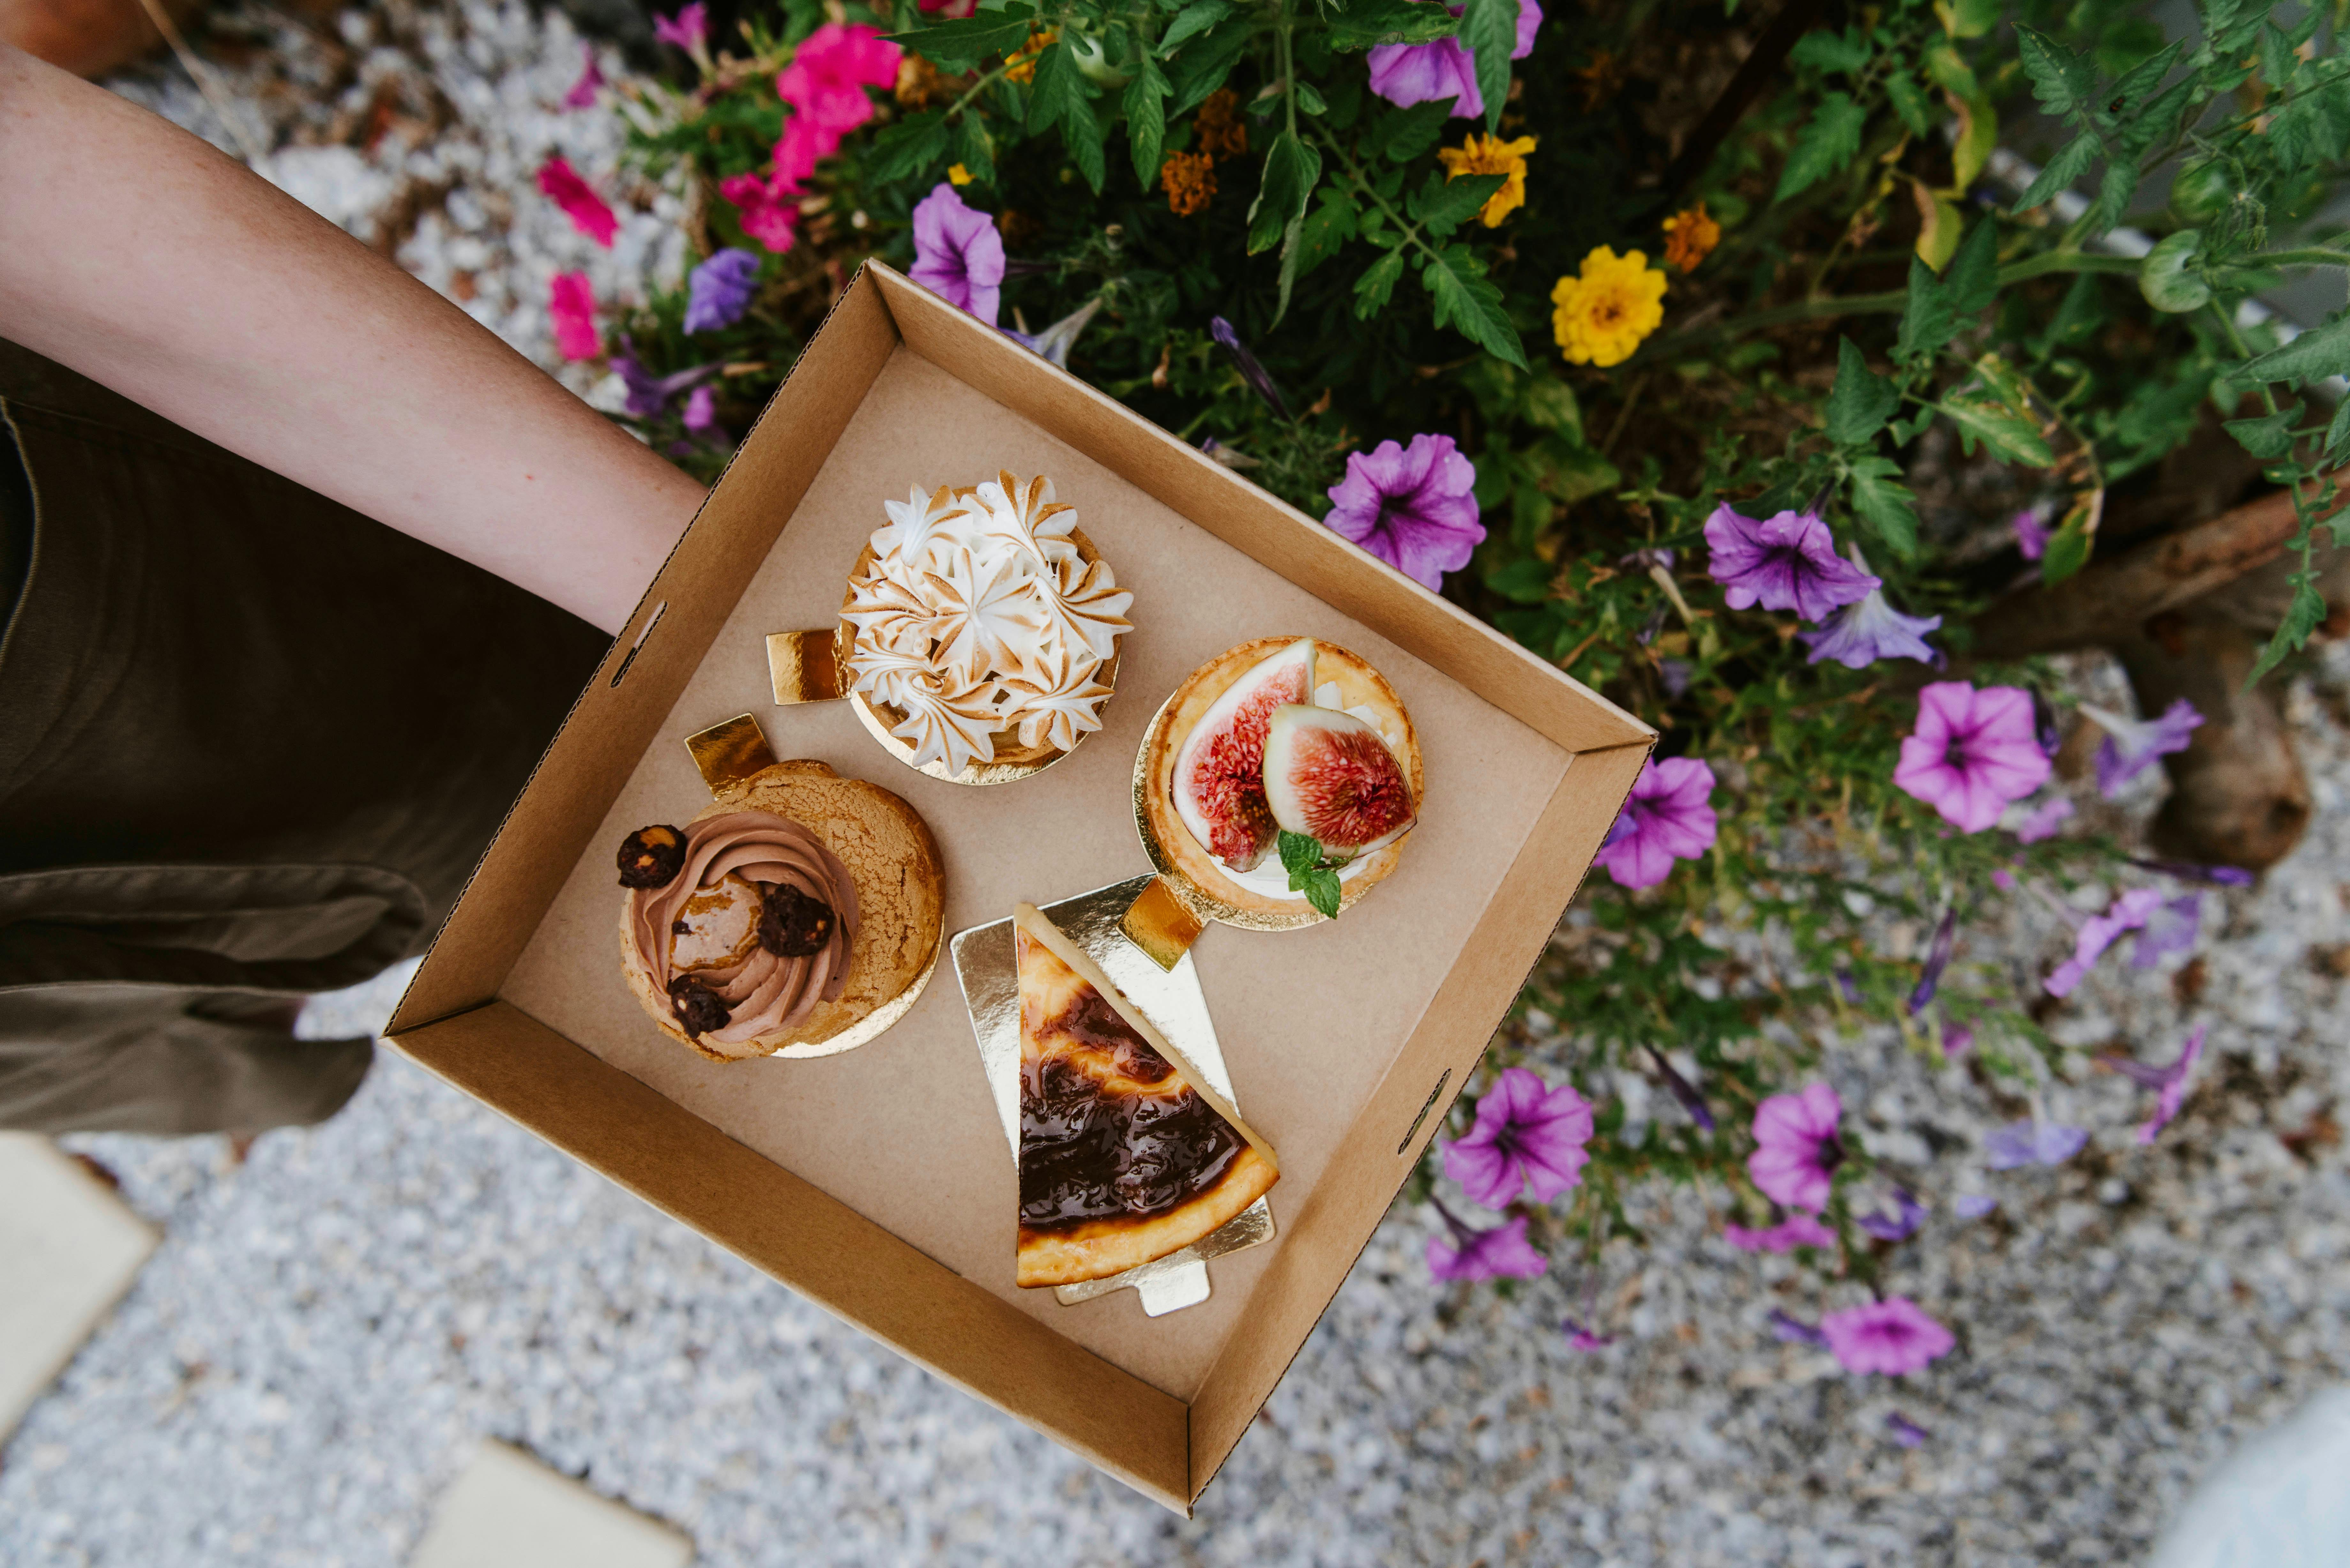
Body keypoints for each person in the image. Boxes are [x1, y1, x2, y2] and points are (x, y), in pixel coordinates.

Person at [0, 42, 707, 1134]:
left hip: (117, 617)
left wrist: (708, 598)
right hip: (49, 965)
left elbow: (23, 170)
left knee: (531, 773)